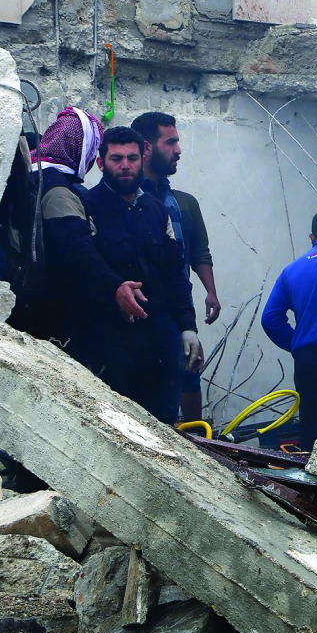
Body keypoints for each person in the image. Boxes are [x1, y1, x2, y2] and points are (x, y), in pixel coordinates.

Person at [74, 126, 203, 424]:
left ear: (141, 158)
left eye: (132, 158)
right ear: (100, 163)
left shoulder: (157, 210)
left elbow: (175, 273)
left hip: (160, 337)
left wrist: (187, 327)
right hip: (109, 339)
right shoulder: (87, 208)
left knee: (164, 425)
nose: (125, 166)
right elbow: (83, 269)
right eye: (116, 158)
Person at [130, 112, 221, 423]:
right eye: (170, 142)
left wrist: (210, 291)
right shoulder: (129, 198)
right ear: (147, 147)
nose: (178, 150)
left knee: (189, 368)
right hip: (139, 309)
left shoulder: (182, 203)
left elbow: (199, 252)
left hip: (177, 304)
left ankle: (195, 441)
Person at [0, 106, 105, 344]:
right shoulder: (58, 189)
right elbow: (76, 250)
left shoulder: (26, 177)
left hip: (20, 300)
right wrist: (112, 288)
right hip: (55, 311)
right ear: (80, 146)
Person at [262, 208, 317, 451]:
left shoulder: (291, 269)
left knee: (309, 427)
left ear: (312, 237)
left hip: (305, 358)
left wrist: (297, 342)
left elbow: (270, 318)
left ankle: (306, 481)